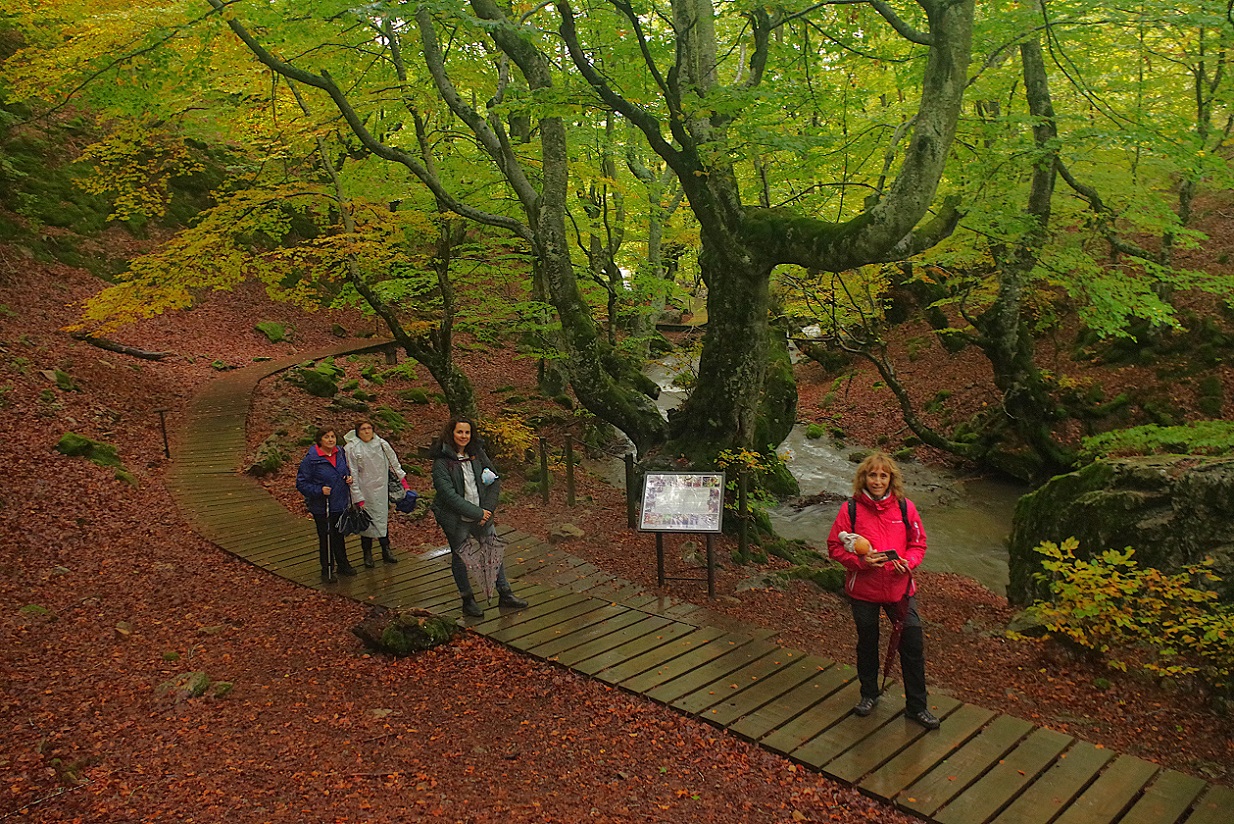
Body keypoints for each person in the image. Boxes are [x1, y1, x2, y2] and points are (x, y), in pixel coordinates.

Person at [826, 451, 940, 730]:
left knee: (912, 645)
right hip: (863, 589)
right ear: (864, 477)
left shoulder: (905, 508)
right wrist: (861, 562)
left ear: (891, 479)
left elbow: (918, 543)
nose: (877, 480)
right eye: (872, 475)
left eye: (883, 475)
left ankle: (917, 707)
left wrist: (908, 563)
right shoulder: (850, 509)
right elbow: (834, 546)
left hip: (900, 589)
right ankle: (868, 695)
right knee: (868, 644)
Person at [430, 417, 528, 618]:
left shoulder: (477, 454)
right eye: (459, 432)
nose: (463, 436)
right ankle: (468, 600)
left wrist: (487, 510)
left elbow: (494, 480)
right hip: (457, 519)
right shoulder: (442, 462)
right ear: (452, 433)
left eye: (467, 432)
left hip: (482, 514)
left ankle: (505, 593)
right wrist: (477, 513)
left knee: (494, 551)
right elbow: (448, 496)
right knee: (460, 557)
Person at [344, 419, 411, 567]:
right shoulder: (352, 448)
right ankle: (367, 554)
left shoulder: (382, 444)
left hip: (381, 488)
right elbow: (352, 472)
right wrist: (357, 496)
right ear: (358, 431)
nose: (367, 431)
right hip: (364, 489)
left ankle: (385, 549)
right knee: (366, 522)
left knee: (382, 519)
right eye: (363, 429)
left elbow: (394, 463)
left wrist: (403, 482)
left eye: (369, 428)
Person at [295, 427, 358, 583]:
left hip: (339, 502)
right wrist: (319, 490)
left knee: (339, 535)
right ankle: (327, 568)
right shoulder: (311, 459)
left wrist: (348, 478)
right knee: (326, 537)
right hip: (323, 506)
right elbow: (301, 483)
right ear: (320, 440)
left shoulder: (340, 453)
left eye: (332, 436)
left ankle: (343, 564)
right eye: (326, 437)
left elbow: (344, 471)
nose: (330, 440)